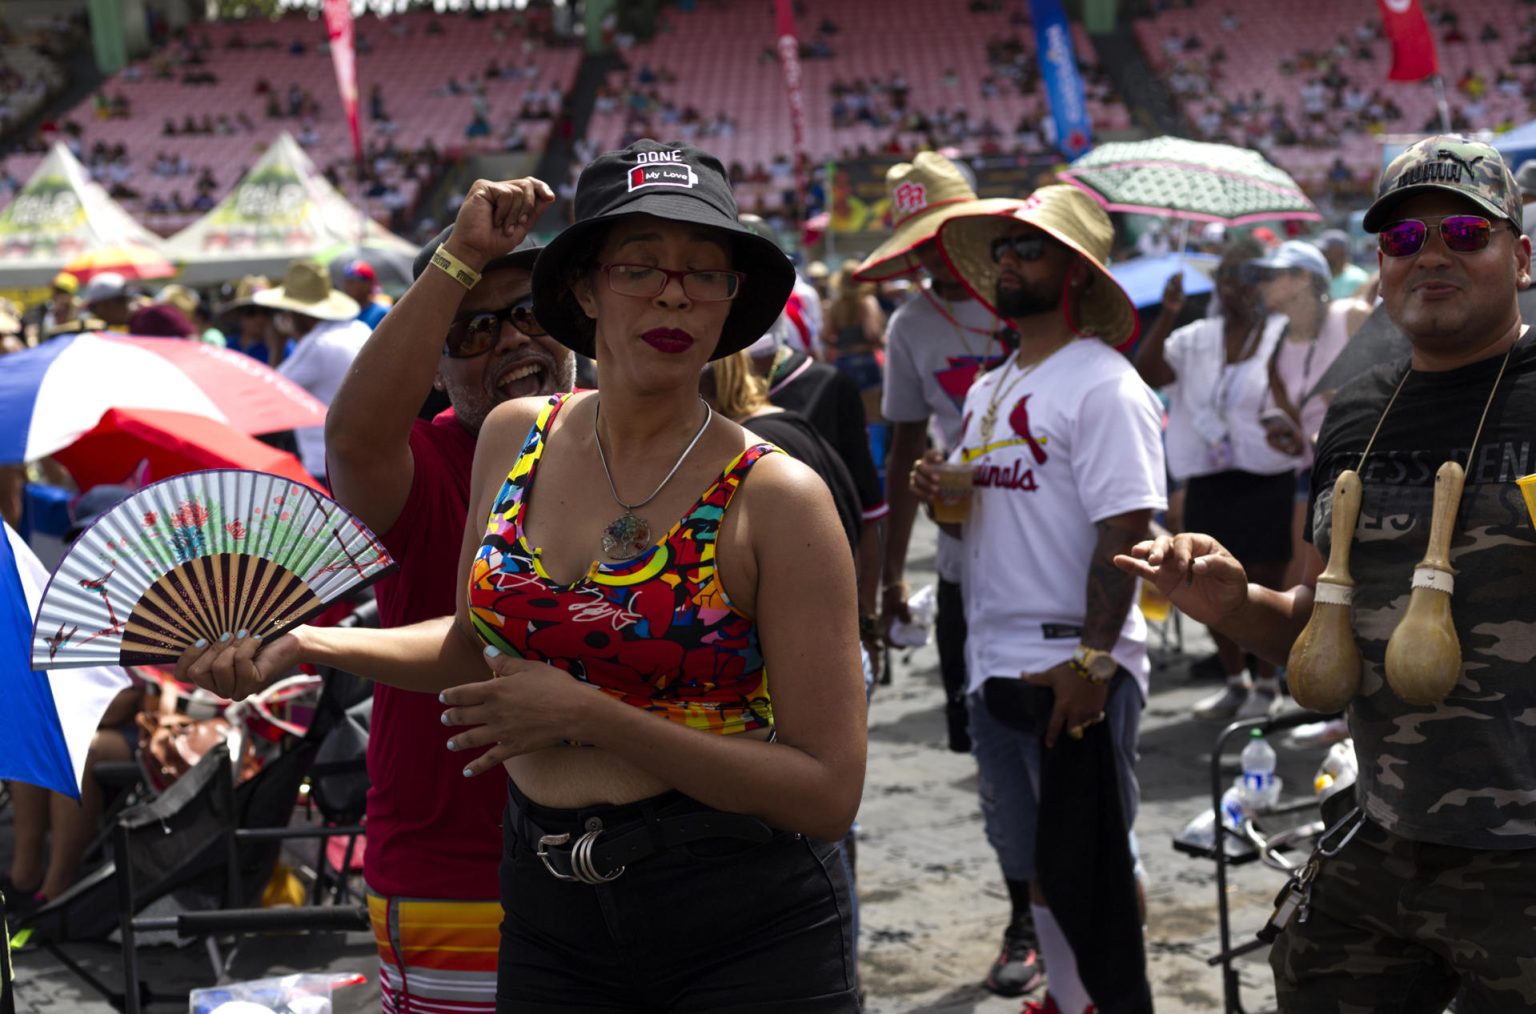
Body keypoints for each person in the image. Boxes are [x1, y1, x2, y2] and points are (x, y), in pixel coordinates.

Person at [177, 140, 867, 1011]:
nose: (674, 292)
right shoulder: (513, 438)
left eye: (705, 271)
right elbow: (474, 645)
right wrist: (306, 642)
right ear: (583, 289)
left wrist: (594, 718)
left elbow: (829, 790)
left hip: (735, 918)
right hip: (547, 908)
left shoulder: (776, 496)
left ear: (732, 304)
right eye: (641, 265)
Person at [1117, 134, 1536, 1012]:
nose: (1432, 254)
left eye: (1465, 230)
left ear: (1521, 255)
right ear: (1380, 266)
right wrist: (1233, 603)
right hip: (1382, 835)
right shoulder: (1356, 413)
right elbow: (1317, 623)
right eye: (1402, 239)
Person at [916, 185, 1164, 1014]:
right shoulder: (993, 385)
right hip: (994, 654)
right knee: (1033, 857)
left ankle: (1113, 996)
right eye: (1005, 251)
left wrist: (1095, 657)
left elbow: (1126, 529)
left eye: (1030, 250)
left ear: (1076, 273)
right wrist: (936, 492)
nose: (1007, 263)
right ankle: (1066, 992)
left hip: (1074, 659)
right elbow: (975, 507)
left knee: (1096, 851)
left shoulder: (1104, 385)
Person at [326, 205, 572, 1014]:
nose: (510, 341)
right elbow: (356, 441)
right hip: (456, 870)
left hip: (628, 862)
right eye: (473, 331)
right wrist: (459, 255)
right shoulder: (425, 461)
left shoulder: (633, 449)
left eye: (532, 314)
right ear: (434, 369)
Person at [851, 151, 1032, 993]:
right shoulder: (909, 329)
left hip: (1052, 557)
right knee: (990, 748)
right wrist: (891, 578)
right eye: (916, 245)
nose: (930, 257)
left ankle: (1081, 906)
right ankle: (1025, 913)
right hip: (965, 564)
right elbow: (899, 457)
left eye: (944, 238)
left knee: (1068, 745)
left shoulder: (1036, 297)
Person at [1134, 238, 1293, 720]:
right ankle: (1234, 680)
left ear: (1264, 283)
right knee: (1200, 578)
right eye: (1226, 276)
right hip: (1208, 478)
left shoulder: (1281, 334)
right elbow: (1149, 371)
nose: (1235, 286)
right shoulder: (1197, 335)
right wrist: (1168, 312)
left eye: (1247, 276)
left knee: (1263, 579)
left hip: (1267, 475)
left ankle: (1268, 685)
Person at [4, 486, 144, 914]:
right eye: (84, 540)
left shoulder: (156, 595)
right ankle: (24, 873)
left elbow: (141, 695)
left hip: (151, 725)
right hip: (97, 711)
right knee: (33, 735)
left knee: (78, 747)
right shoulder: (81, 598)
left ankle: (57, 888)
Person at [253, 260, 371, 480]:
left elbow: (269, 393)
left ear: (298, 314)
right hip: (361, 459)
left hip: (325, 465)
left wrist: (276, 347)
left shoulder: (317, 344)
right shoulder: (358, 329)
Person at [823, 258, 886, 422]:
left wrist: (840, 345)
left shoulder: (834, 305)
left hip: (842, 360)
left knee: (849, 416)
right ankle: (875, 448)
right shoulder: (867, 302)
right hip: (865, 359)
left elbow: (824, 335)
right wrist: (881, 341)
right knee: (873, 415)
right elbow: (872, 333)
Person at [1316, 229, 1368, 300]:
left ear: (1339, 251)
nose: (1321, 253)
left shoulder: (1358, 279)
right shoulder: (1320, 277)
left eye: (1325, 250)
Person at [340, 260, 391, 329]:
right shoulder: (340, 312)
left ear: (367, 285)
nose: (347, 287)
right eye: (346, 282)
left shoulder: (383, 313)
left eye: (352, 282)